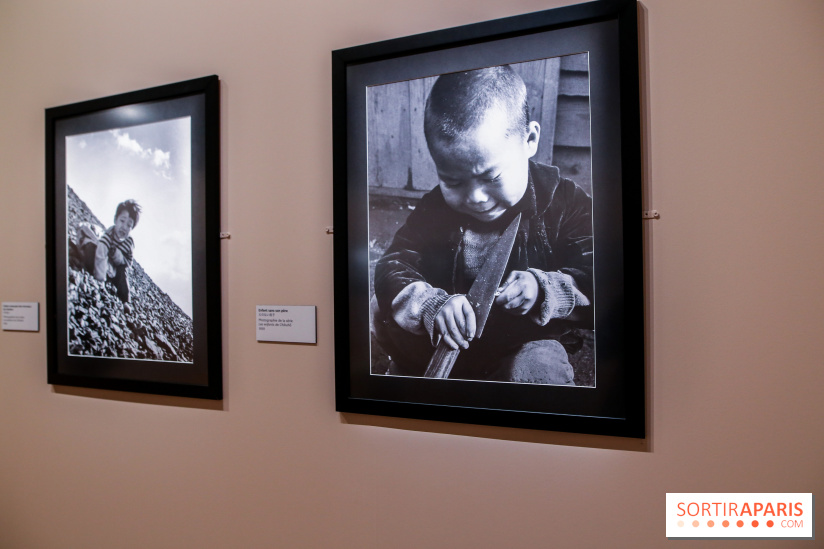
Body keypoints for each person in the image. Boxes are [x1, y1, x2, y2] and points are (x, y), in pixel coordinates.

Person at [372, 65, 593, 385]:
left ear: (530, 139)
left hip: (524, 342)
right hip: (446, 341)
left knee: (539, 371)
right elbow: (393, 265)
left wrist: (545, 289)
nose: (475, 197)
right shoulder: (434, 208)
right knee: (376, 312)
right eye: (453, 181)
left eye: (492, 177)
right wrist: (434, 306)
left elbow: (602, 273)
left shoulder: (565, 202)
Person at [76, 199, 141, 310]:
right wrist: (100, 280)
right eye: (122, 221)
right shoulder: (109, 235)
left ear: (132, 228)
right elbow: (101, 253)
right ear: (115, 220)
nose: (124, 227)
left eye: (129, 225)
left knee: (123, 273)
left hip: (116, 268)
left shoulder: (129, 243)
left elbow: (128, 262)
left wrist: (119, 257)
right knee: (92, 251)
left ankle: (125, 300)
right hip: (104, 264)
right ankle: (93, 272)